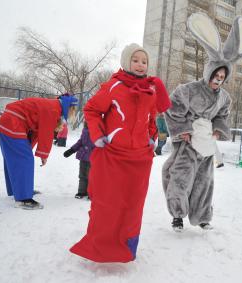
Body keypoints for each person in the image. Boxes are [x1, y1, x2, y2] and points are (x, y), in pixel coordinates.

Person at [70, 43, 171, 263]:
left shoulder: (151, 90)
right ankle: (100, 247)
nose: (140, 64)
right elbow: (92, 110)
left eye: (144, 61)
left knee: (133, 206)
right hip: (113, 156)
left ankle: (127, 248)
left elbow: (152, 118)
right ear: (126, 62)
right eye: (135, 60)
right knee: (108, 204)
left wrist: (151, 138)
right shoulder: (113, 86)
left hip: (140, 159)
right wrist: (97, 136)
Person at [162, 13, 242, 231]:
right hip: (188, 142)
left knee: (204, 181)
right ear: (208, 72)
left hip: (206, 144)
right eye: (215, 76)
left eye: (222, 77)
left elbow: (222, 115)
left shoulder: (224, 97)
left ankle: (202, 216)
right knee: (179, 178)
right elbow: (172, 108)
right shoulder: (188, 90)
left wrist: (217, 132)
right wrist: (183, 131)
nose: (217, 80)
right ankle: (177, 215)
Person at [0, 94, 78, 209]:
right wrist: (43, 155)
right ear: (70, 107)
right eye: (73, 110)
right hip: (14, 123)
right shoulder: (53, 109)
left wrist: (33, 150)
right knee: (24, 160)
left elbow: (35, 133)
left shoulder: (53, 106)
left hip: (10, 122)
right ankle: (23, 198)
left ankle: (18, 190)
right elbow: (46, 133)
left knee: (15, 159)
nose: (72, 113)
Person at [63, 122, 95, 199]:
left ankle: (92, 193)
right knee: (82, 175)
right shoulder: (85, 129)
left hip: (94, 158)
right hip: (83, 156)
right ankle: (82, 192)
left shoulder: (99, 129)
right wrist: (72, 150)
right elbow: (81, 141)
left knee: (92, 177)